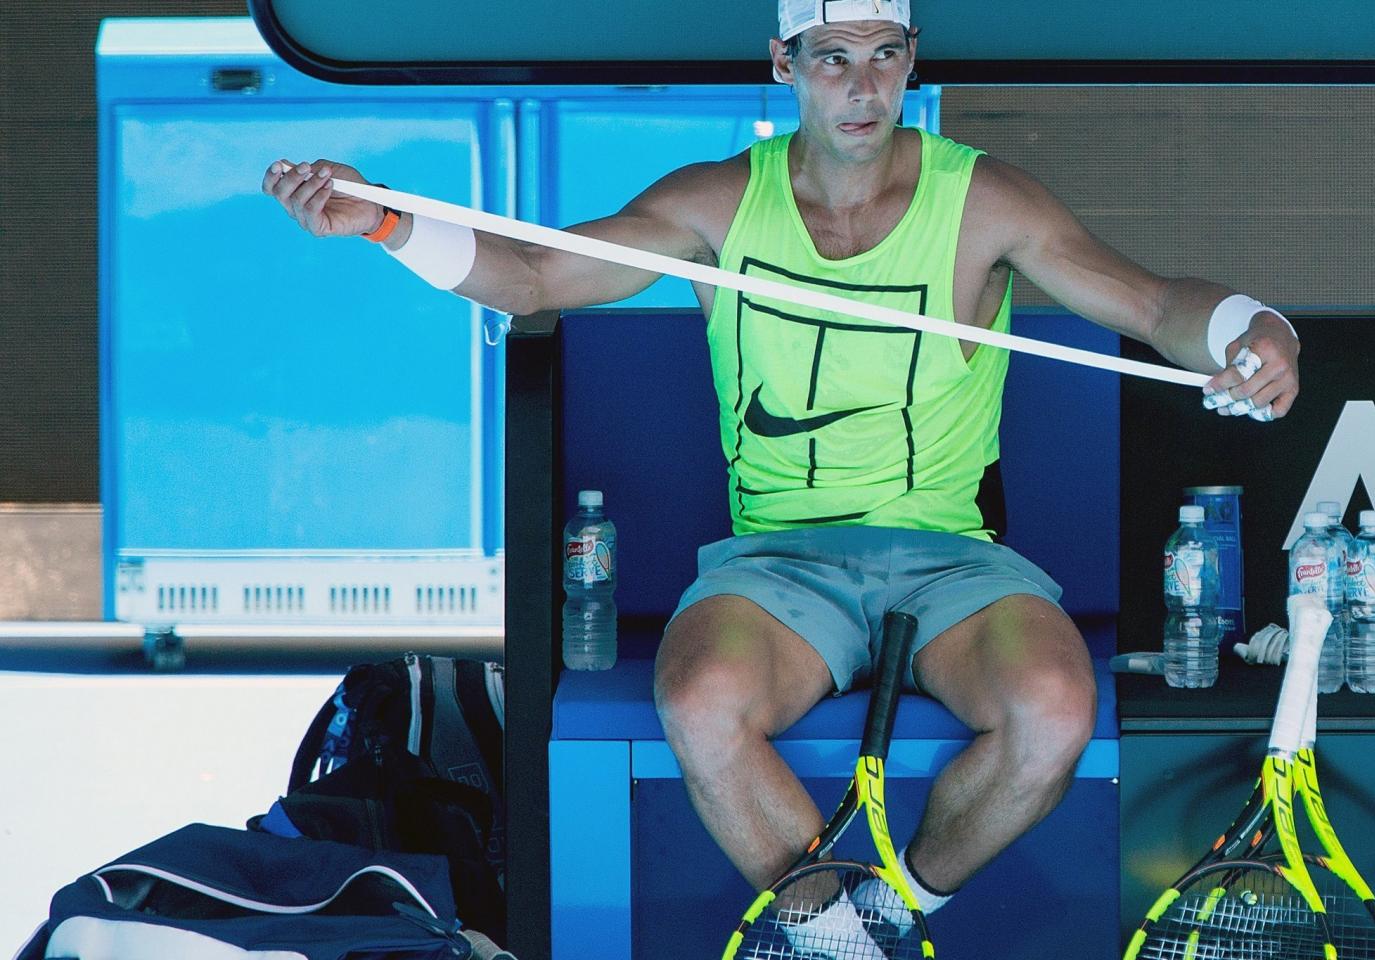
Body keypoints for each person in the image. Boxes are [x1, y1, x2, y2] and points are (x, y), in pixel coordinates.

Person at [262, 0, 1301, 937]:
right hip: (775, 566)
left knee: (1055, 709)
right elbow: (531, 277)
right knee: (700, 697)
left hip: (953, 561)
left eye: (885, 56)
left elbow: (1153, 302)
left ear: (910, 61)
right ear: (783, 65)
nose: (862, 86)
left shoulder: (984, 200)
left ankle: (879, 922)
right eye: (833, 59)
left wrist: (1254, 332)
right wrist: (385, 221)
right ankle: (824, 927)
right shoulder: (716, 205)